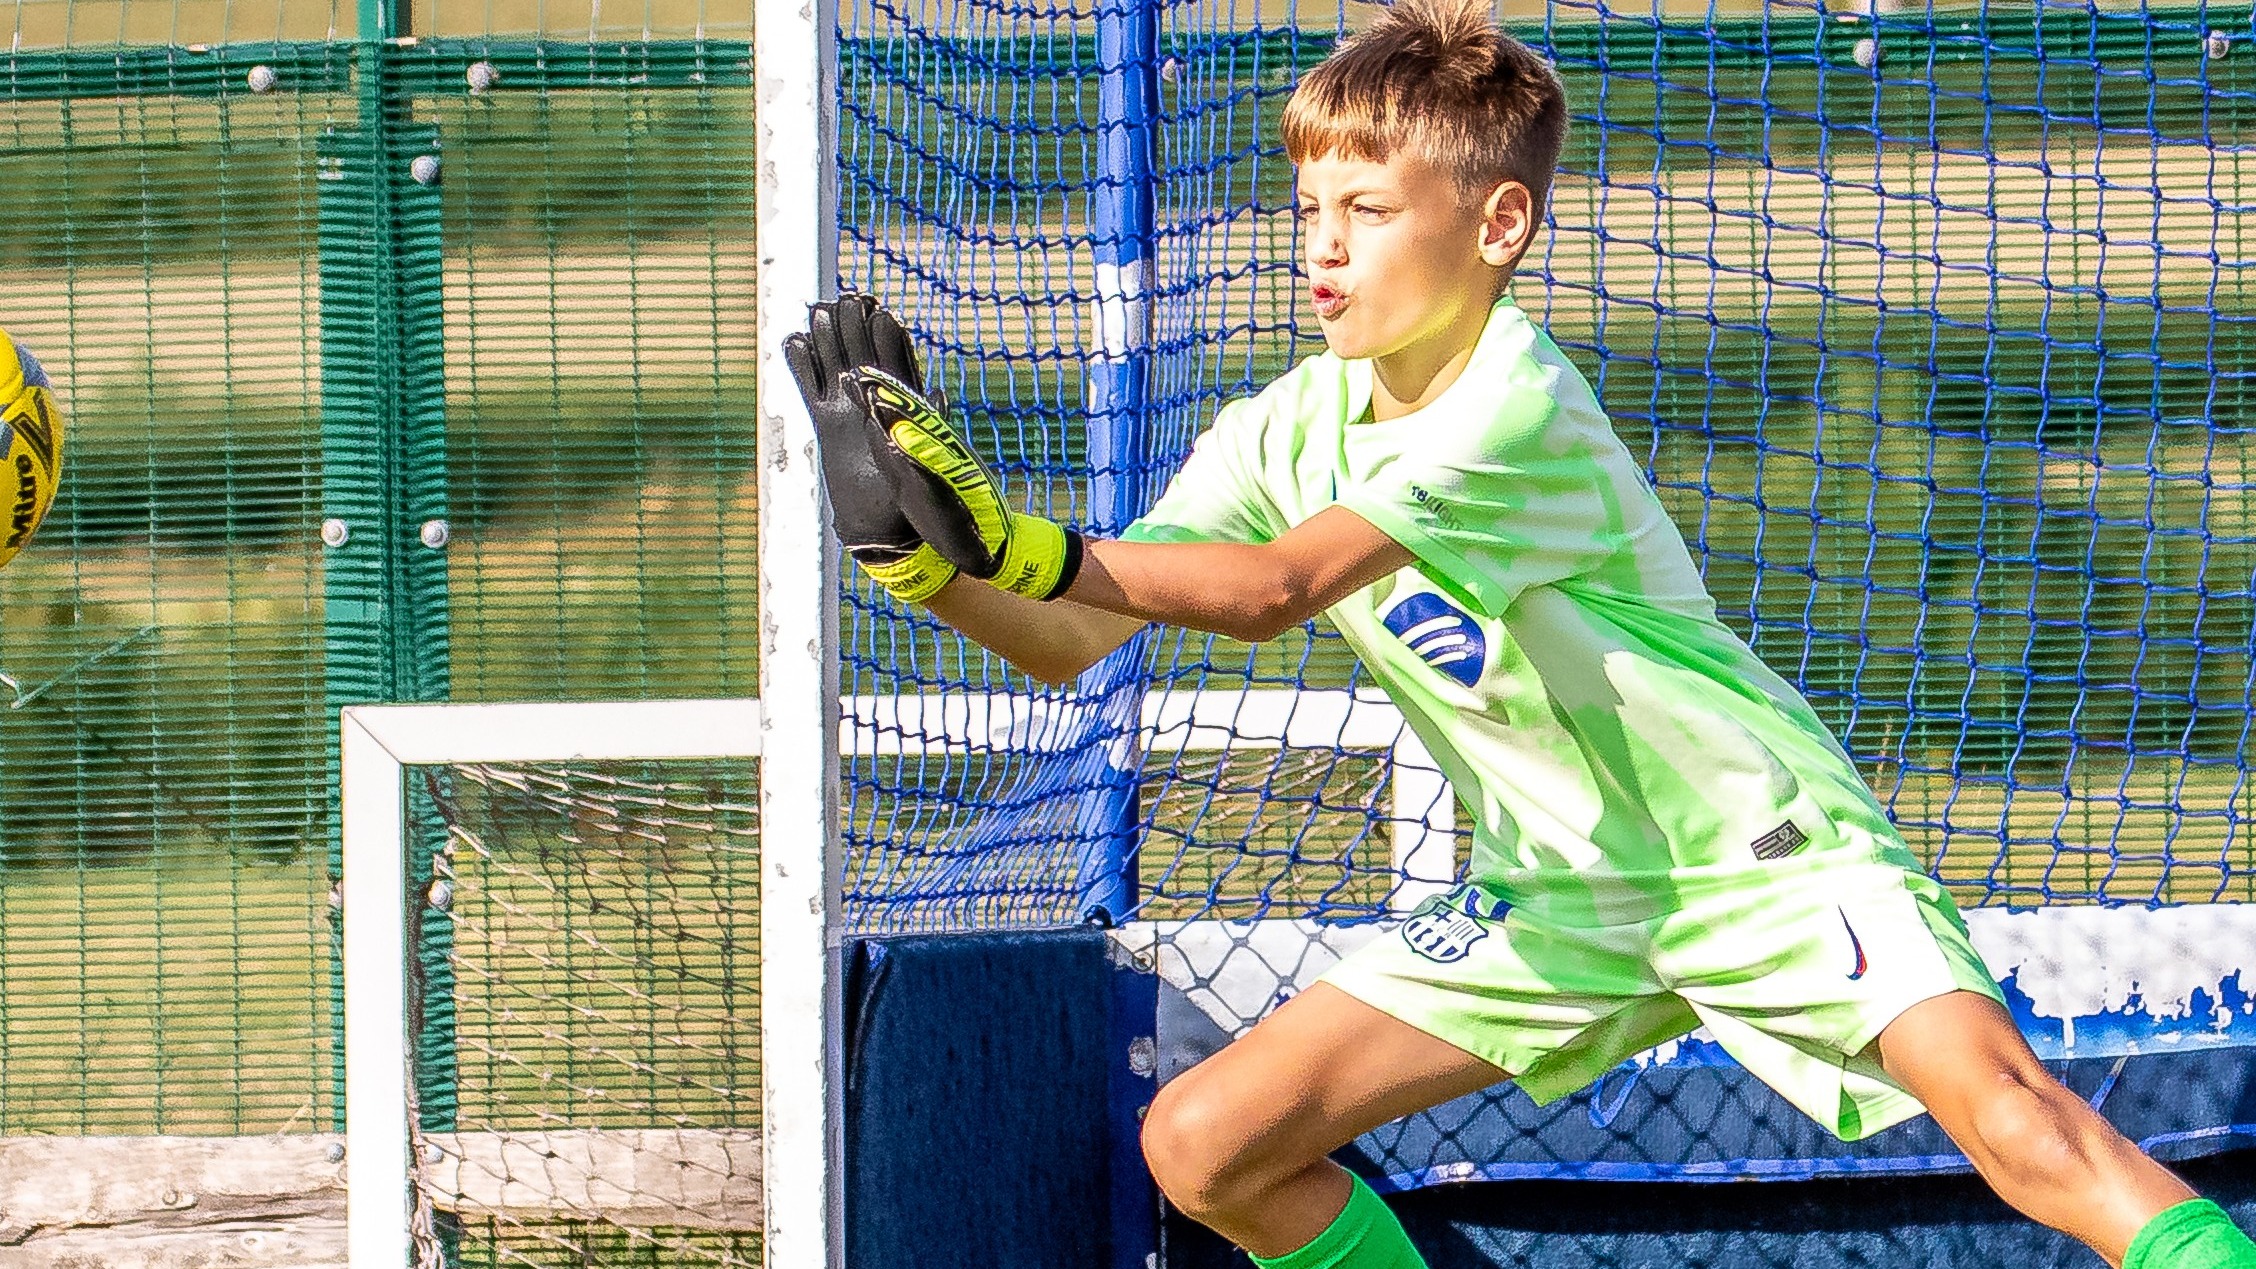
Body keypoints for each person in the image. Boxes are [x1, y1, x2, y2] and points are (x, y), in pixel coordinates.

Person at [784, 2, 2256, 1264]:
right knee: (1208, 1140)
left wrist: (1025, 541)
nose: (1323, 249)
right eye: (1310, 209)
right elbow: (1068, 637)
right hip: (1551, 894)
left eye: (1367, 212)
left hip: (1749, 849)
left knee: (2011, 1119)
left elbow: (1275, 589)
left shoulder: (1515, 401)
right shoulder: (1281, 425)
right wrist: (923, 563)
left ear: (1497, 224)